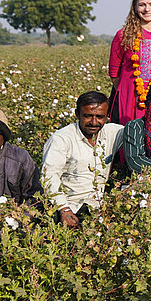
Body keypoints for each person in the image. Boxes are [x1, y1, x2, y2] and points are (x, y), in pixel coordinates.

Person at [41, 91, 124, 227]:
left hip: (99, 207)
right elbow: (49, 176)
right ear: (77, 114)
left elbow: (137, 131)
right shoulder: (61, 139)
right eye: (87, 116)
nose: (94, 122)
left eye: (100, 117)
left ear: (107, 116)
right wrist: (63, 209)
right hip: (70, 206)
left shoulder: (114, 133)